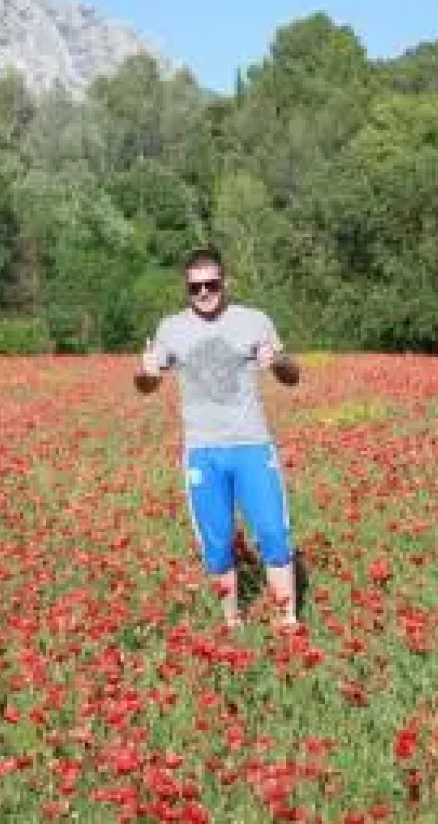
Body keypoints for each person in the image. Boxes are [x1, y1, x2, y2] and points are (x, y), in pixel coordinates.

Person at [135, 246, 303, 630]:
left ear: (225, 283)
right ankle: (232, 625)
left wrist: (278, 362)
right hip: (202, 451)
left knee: (274, 532)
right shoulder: (171, 329)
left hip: (252, 445)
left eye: (211, 284)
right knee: (217, 541)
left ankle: (287, 621)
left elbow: (292, 376)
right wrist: (143, 373)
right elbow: (146, 384)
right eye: (196, 288)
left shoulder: (255, 321)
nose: (204, 293)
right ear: (187, 289)